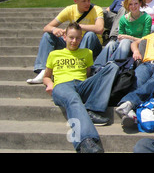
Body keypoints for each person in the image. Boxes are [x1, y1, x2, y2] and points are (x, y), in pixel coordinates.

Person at [42, 22, 119, 153]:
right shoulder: (54, 54)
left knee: (113, 67)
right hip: (62, 86)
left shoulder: (87, 52)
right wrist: (50, 85)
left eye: (78, 38)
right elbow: (46, 76)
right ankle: (86, 141)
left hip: (81, 84)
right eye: (71, 37)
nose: (74, 41)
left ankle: (91, 108)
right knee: (73, 99)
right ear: (64, 37)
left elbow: (88, 74)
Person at [27, 0, 104, 84]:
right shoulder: (69, 9)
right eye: (83, 1)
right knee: (48, 35)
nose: (87, 3)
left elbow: (100, 28)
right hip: (72, 42)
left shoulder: (96, 9)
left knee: (90, 35)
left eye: (89, 0)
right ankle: (43, 71)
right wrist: (55, 29)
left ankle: (78, 66)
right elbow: (46, 27)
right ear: (75, 1)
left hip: (91, 44)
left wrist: (78, 27)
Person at [115, 14, 154, 127]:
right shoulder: (153, 36)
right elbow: (134, 43)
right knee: (137, 82)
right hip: (146, 64)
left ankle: (127, 105)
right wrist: (136, 51)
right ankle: (129, 109)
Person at [93, 0, 152, 69]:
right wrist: (123, 38)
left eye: (136, 4)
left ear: (140, 4)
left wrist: (128, 37)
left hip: (137, 45)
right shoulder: (123, 19)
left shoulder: (146, 18)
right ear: (127, 5)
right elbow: (120, 36)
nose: (133, 7)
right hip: (123, 46)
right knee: (111, 44)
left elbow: (144, 39)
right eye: (131, 4)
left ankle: (114, 65)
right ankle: (97, 66)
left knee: (125, 41)